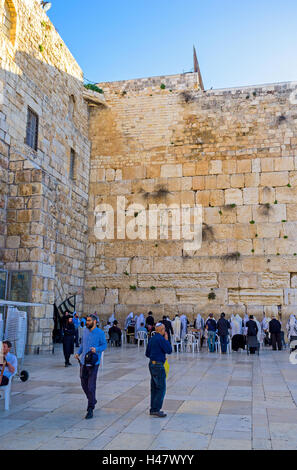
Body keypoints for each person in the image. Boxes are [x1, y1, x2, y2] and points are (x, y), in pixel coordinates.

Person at [75, 314, 107, 419]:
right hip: (83, 362)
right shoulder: (84, 331)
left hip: (93, 363)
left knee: (91, 385)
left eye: (88, 321)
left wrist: (96, 349)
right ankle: (92, 399)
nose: (87, 322)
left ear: (94, 322)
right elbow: (83, 344)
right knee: (83, 384)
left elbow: (104, 345)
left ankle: (90, 408)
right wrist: (78, 353)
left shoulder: (100, 333)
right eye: (86, 321)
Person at [145, 323, 172, 418]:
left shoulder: (152, 339)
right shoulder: (161, 339)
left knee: (154, 387)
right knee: (161, 388)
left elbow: (147, 353)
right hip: (159, 365)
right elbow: (169, 350)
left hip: (151, 364)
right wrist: (167, 340)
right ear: (161, 330)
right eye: (164, 329)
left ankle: (153, 409)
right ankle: (156, 409)